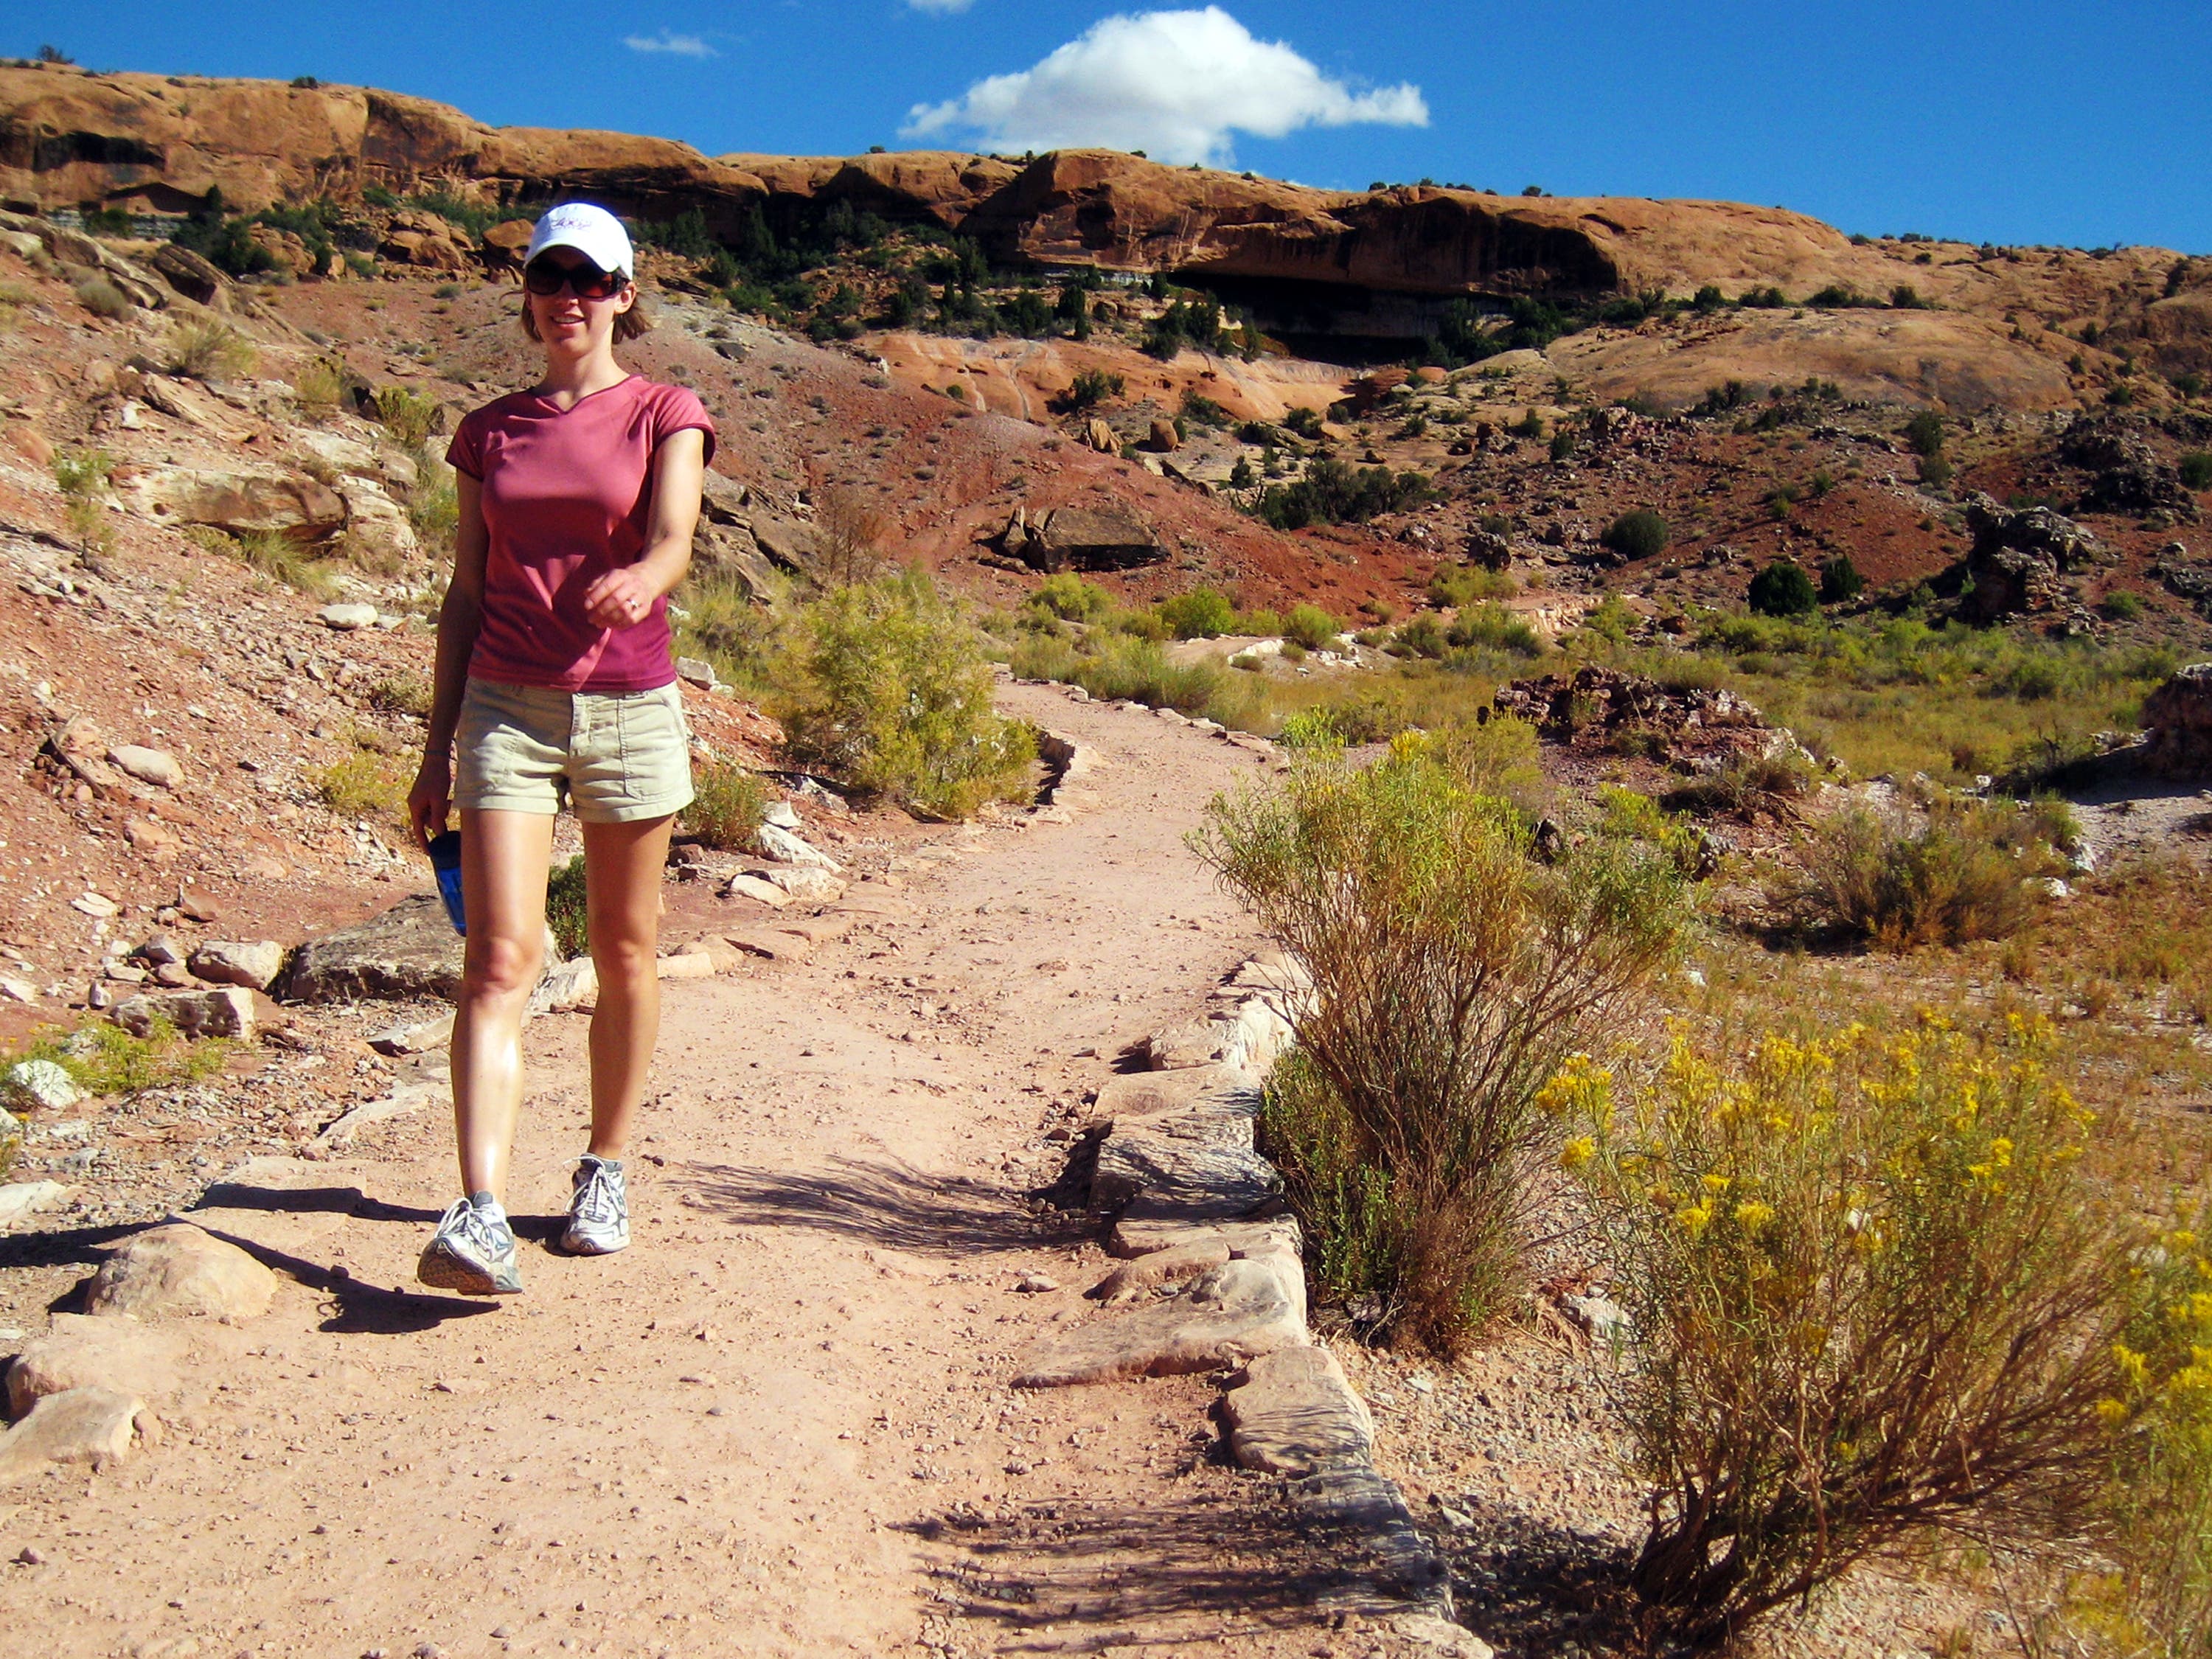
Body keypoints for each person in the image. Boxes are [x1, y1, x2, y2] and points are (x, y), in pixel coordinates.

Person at [406, 201, 714, 1295]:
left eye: (592, 280)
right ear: (530, 293)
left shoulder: (666, 409)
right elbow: (463, 592)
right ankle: (479, 1210)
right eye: (551, 278)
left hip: (629, 703)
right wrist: (436, 749)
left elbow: (674, 534)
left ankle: (605, 1166)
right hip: (505, 707)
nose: (569, 298)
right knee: (499, 956)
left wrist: (643, 577)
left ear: (626, 295)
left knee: (627, 950)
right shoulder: (490, 431)